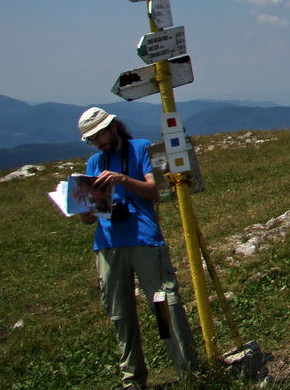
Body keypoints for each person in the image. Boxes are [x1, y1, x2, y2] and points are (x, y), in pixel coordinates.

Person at [77, 107, 196, 390]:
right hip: (107, 244)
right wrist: (82, 209)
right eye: (92, 139)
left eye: (100, 135)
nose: (98, 142)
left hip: (144, 239)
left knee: (163, 307)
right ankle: (133, 380)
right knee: (120, 314)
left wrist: (122, 180)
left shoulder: (140, 148)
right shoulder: (94, 162)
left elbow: (157, 191)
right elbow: (88, 216)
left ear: (113, 127)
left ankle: (187, 371)